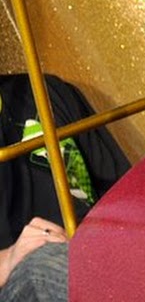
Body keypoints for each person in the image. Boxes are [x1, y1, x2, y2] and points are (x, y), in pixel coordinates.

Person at [0, 74, 130, 301]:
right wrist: (8, 259)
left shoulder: (43, 92)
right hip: (27, 279)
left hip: (102, 263)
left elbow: (125, 200)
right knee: (40, 268)